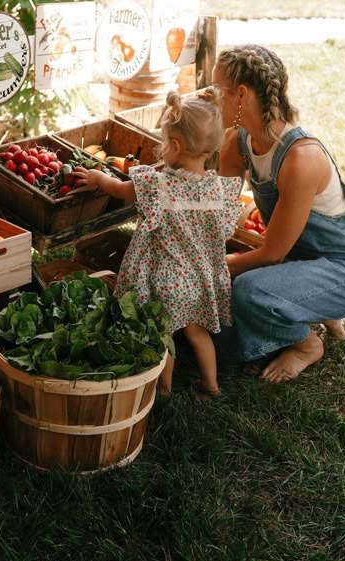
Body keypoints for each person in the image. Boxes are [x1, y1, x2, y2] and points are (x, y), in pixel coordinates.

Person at [74, 90, 242, 396]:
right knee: (197, 332)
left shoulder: (160, 186)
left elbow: (122, 189)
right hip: (199, 279)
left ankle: (163, 391)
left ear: (175, 146)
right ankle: (211, 385)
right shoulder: (220, 191)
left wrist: (99, 180)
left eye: (163, 142)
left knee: (161, 336)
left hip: (166, 279)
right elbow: (228, 229)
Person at [212, 43, 345, 383]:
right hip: (303, 261)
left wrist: (216, 269)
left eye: (219, 89)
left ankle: (307, 344)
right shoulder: (236, 142)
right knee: (217, 330)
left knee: (247, 293)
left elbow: (273, 254)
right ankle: (307, 306)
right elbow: (222, 216)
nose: (213, 97)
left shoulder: (300, 157)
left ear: (241, 95)